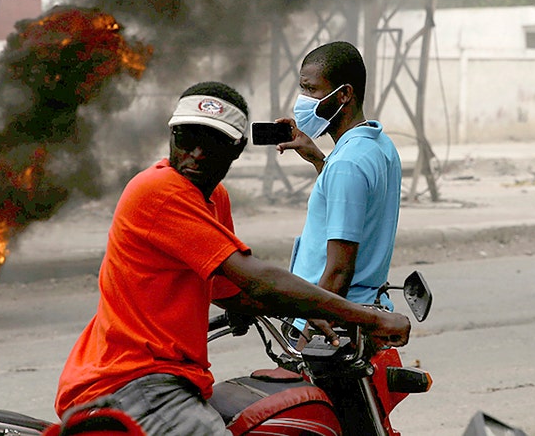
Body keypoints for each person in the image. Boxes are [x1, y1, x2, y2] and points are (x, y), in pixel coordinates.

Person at [54, 81, 409, 436]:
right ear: (171, 136)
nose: (195, 154)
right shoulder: (158, 190)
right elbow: (256, 278)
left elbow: (233, 290)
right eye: (184, 138)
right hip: (131, 382)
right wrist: (366, 316)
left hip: (167, 380)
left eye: (211, 144)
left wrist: (311, 310)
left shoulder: (213, 198)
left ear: (236, 149)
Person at [274, 41, 402, 325]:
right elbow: (353, 203)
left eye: (311, 89)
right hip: (364, 309)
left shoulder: (347, 164)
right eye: (302, 88)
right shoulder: (378, 145)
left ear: (344, 94)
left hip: (333, 322)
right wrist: (319, 161)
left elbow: (339, 271)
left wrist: (309, 337)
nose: (303, 99)